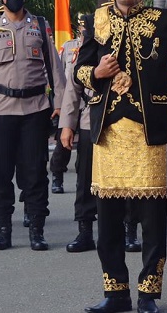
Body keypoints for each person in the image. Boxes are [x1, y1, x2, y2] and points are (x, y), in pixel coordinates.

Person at [75, 0, 167, 313]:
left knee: (153, 217)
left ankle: (149, 294)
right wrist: (97, 74)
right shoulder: (95, 20)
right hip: (107, 133)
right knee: (108, 217)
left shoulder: (164, 19)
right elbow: (79, 72)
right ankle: (116, 293)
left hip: (148, 131)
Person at [0, 0, 66, 251]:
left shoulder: (39, 26)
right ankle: (3, 231)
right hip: (2, 110)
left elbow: (55, 68)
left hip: (36, 109)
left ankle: (37, 229)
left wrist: (58, 103)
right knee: (0, 173)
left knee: (35, 171)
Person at [58, 15, 98, 253]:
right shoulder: (83, 50)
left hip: (121, 123)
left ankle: (129, 230)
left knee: (124, 180)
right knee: (85, 180)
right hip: (88, 119)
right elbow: (73, 89)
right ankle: (85, 231)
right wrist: (67, 125)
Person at [49, 31, 83, 195]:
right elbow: (58, 74)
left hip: (88, 103)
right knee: (63, 143)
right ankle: (57, 176)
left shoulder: (99, 45)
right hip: (69, 102)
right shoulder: (68, 47)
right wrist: (58, 102)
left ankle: (82, 180)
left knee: (86, 147)